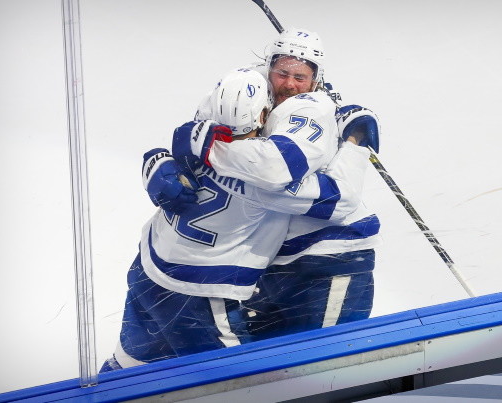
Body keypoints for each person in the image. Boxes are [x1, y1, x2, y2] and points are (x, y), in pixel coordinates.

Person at [100, 68, 372, 371]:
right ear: (262, 115)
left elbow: (185, 145)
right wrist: (354, 141)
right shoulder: (262, 177)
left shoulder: (199, 140)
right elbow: (338, 199)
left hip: (146, 270)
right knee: (242, 384)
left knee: (126, 368)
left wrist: (156, 159)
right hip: (198, 294)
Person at [170, 28, 383, 341]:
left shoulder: (311, 109)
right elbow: (204, 120)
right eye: (282, 73)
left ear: (316, 79)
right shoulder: (249, 90)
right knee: (274, 361)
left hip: (333, 256)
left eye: (301, 77)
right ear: (268, 67)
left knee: (323, 362)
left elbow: (279, 172)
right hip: (275, 260)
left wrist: (355, 144)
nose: (290, 84)